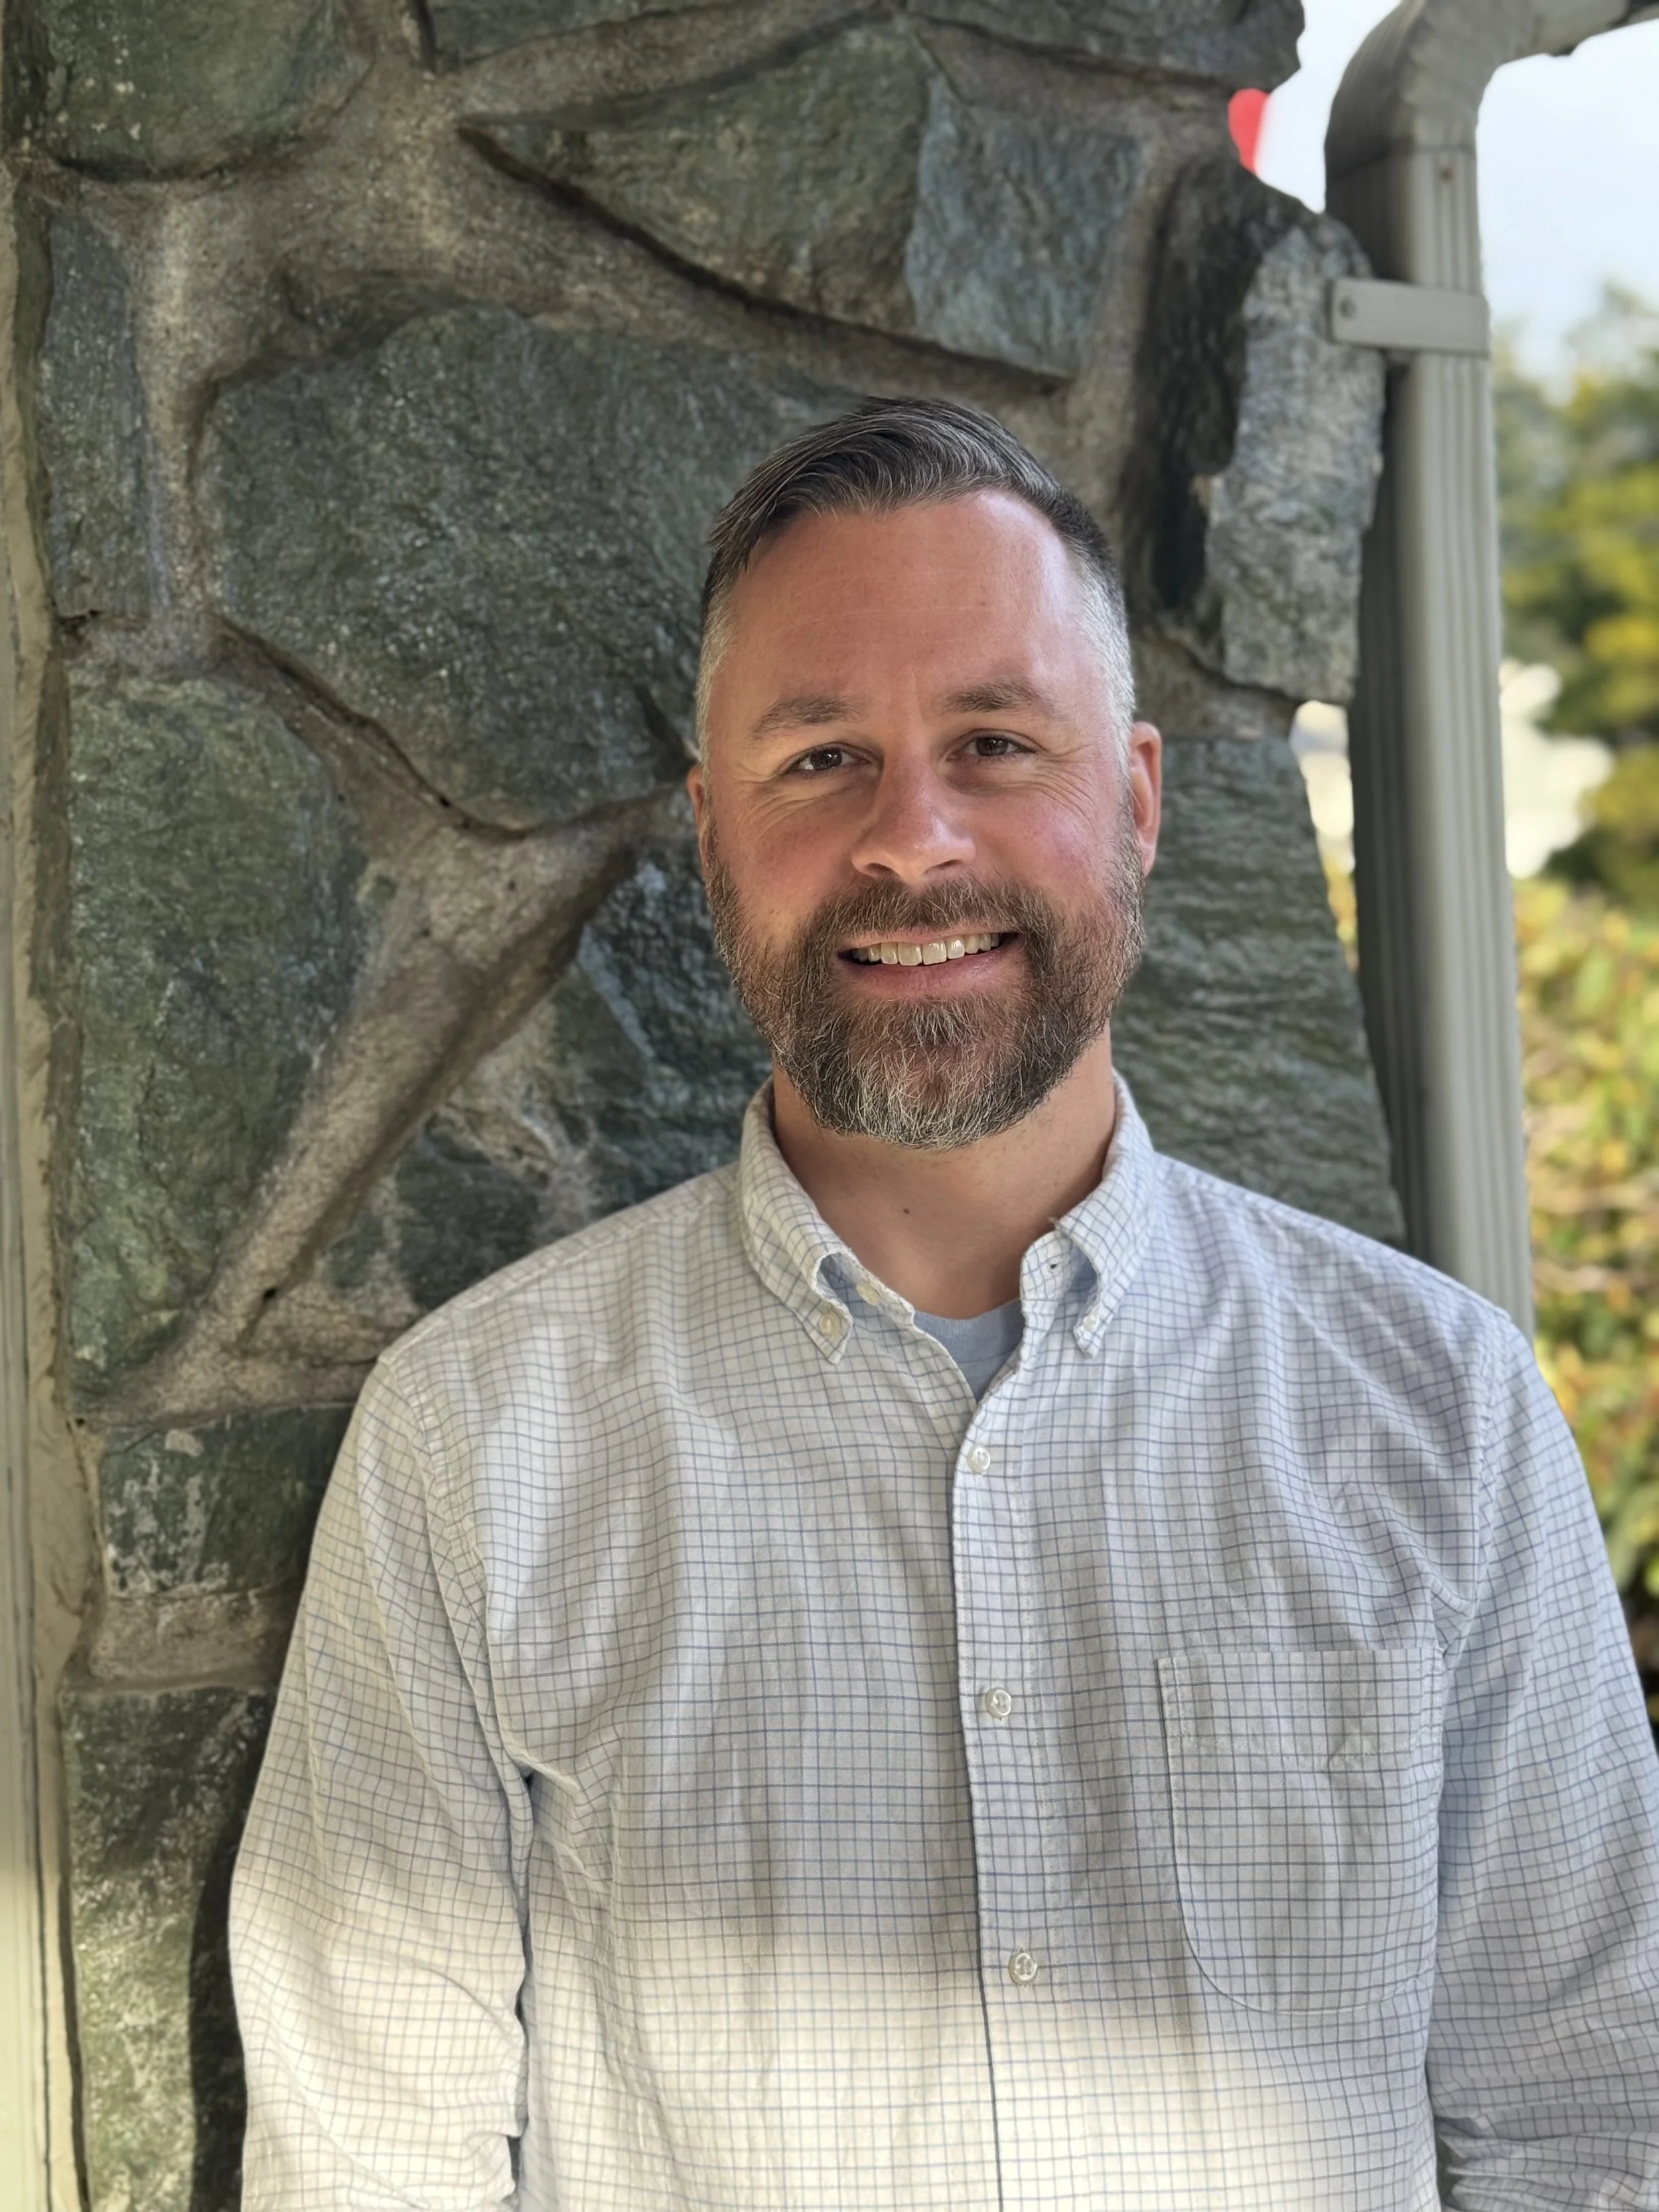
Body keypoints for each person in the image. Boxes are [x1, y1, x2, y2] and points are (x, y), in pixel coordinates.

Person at [230, 400, 1659, 2211]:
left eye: (993, 741)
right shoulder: (471, 1443)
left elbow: (1595, 2115)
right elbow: (370, 2166)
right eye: (820, 756)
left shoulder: (1438, 1408)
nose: (912, 840)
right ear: (712, 828)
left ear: (1132, 798)